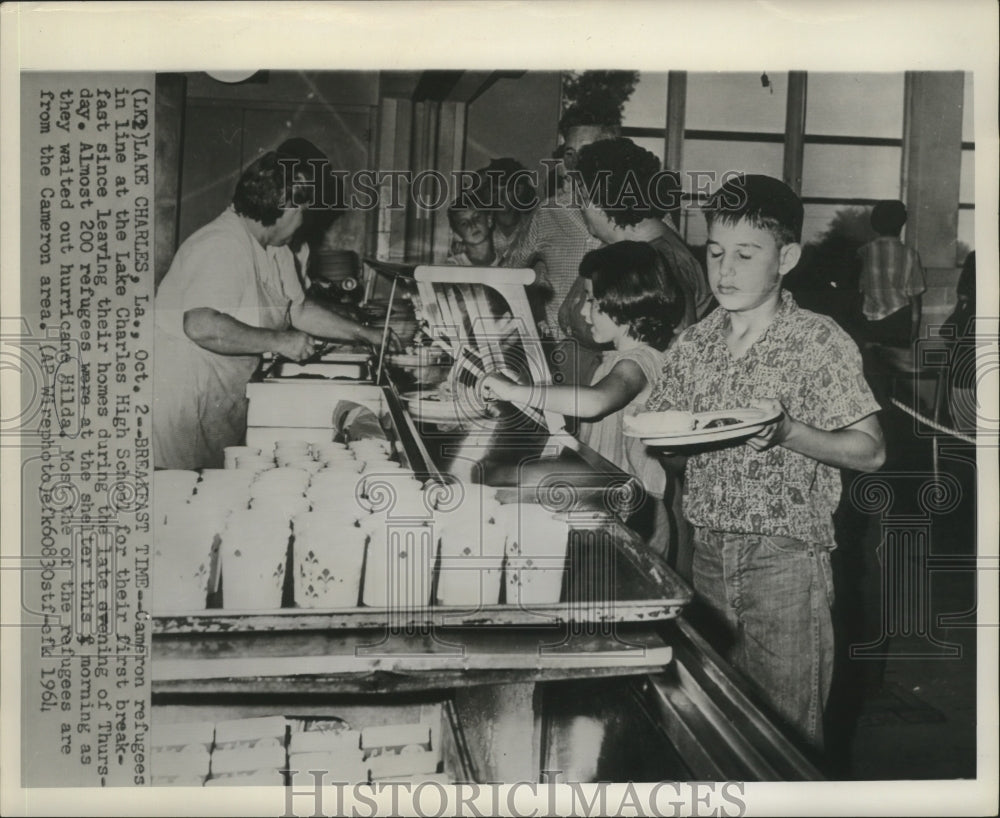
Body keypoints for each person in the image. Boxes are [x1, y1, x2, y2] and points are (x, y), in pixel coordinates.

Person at [645, 174, 886, 751]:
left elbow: (870, 451)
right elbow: (669, 447)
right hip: (704, 553)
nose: (725, 271)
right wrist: (672, 446)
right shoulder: (694, 345)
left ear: (788, 258)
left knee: (785, 734)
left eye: (746, 255)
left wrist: (787, 431)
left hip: (784, 558)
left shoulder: (816, 342)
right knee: (714, 724)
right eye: (716, 252)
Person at [153, 146, 388, 470]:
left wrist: (369, 335)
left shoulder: (274, 249)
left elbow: (298, 311)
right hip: (183, 405)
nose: (306, 223)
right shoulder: (221, 244)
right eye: (305, 211)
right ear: (286, 206)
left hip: (220, 397)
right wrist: (278, 341)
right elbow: (201, 325)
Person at [482, 241, 685, 555]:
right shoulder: (613, 358)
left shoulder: (640, 363)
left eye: (592, 300)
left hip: (637, 513)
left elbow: (595, 402)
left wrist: (514, 392)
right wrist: (521, 386)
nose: (583, 311)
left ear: (623, 300)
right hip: (610, 500)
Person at [496, 115, 618, 387]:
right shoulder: (548, 212)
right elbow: (505, 277)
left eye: (586, 154)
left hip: (617, 366)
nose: (574, 165)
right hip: (559, 365)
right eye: (570, 154)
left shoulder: (641, 214)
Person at [572, 137, 713, 333]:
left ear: (602, 202)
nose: (579, 207)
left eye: (583, 198)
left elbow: (673, 352)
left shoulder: (664, 263)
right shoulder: (615, 248)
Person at [856, 199, 926, 346]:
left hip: (869, 323)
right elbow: (915, 301)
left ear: (875, 224)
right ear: (902, 223)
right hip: (899, 324)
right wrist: (914, 334)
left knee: (872, 367)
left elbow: (858, 292)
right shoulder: (910, 254)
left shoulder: (862, 252)